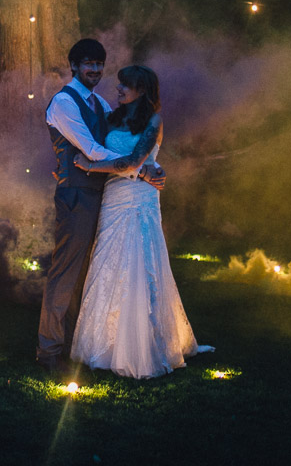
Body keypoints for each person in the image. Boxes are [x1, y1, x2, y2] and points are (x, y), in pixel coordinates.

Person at [70, 65, 211, 379]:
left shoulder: (153, 121)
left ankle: (140, 347)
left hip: (138, 198)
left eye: (125, 86)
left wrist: (92, 167)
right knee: (108, 263)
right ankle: (103, 343)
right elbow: (101, 149)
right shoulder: (112, 117)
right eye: (119, 84)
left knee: (137, 261)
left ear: (143, 90)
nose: (118, 89)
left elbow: (132, 161)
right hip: (113, 198)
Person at [38, 39, 164, 376]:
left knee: (91, 273)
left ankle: (82, 344)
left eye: (99, 63)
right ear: (74, 66)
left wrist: (149, 162)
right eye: (88, 64)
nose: (95, 69)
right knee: (65, 273)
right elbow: (92, 150)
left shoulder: (100, 103)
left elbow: (121, 133)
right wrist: (141, 170)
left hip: (108, 197)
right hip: (78, 197)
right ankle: (49, 352)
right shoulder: (65, 101)